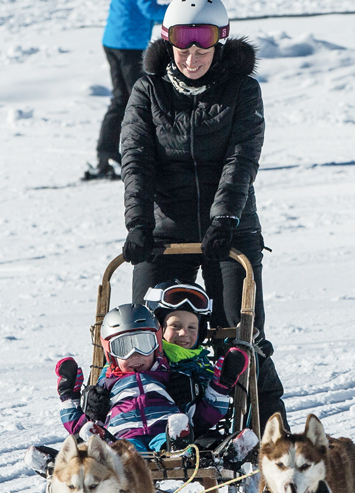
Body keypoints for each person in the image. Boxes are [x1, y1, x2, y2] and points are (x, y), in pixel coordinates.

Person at [119, 0, 288, 431]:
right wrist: (138, 224)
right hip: (164, 231)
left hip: (230, 229)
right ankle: (147, 428)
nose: (192, 59)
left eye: (202, 49)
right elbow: (136, 159)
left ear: (220, 43)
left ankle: (271, 436)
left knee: (240, 335)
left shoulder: (242, 89)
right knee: (143, 334)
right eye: (182, 48)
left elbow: (241, 158)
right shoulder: (149, 88)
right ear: (168, 42)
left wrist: (225, 219)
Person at [54, 303, 246, 452]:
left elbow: (202, 415)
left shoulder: (171, 378)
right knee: (114, 446)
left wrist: (221, 385)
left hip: (165, 432)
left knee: (176, 431)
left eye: (143, 344)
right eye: (123, 348)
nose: (135, 354)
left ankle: (180, 445)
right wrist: (68, 396)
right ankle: (84, 455)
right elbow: (79, 425)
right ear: (111, 354)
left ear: (156, 345)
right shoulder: (105, 388)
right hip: (123, 439)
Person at [146, 281, 250, 436]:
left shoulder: (202, 367)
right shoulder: (145, 355)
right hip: (143, 426)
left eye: (192, 327)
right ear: (159, 327)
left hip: (191, 431)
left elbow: (209, 410)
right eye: (175, 326)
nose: (183, 333)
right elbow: (118, 376)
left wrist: (199, 388)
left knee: (210, 439)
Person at [82, 0, 169, 181]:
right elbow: (150, 10)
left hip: (114, 40)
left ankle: (107, 155)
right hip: (129, 44)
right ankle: (146, 156)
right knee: (142, 101)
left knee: (122, 100)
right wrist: (181, 9)